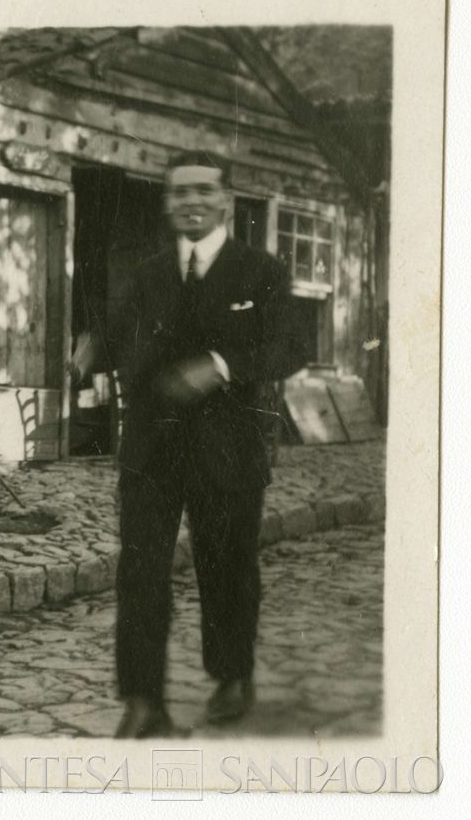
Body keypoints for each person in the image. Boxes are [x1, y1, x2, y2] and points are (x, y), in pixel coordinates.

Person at [102, 151, 308, 738]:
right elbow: (123, 341)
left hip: (229, 449)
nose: (190, 201)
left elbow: (291, 349)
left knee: (227, 567)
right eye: (179, 192)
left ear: (225, 199)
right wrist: (99, 347)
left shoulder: (259, 271)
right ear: (168, 203)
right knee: (139, 574)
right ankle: (143, 700)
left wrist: (222, 364)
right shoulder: (147, 274)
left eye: (202, 191)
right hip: (151, 451)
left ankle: (231, 675)